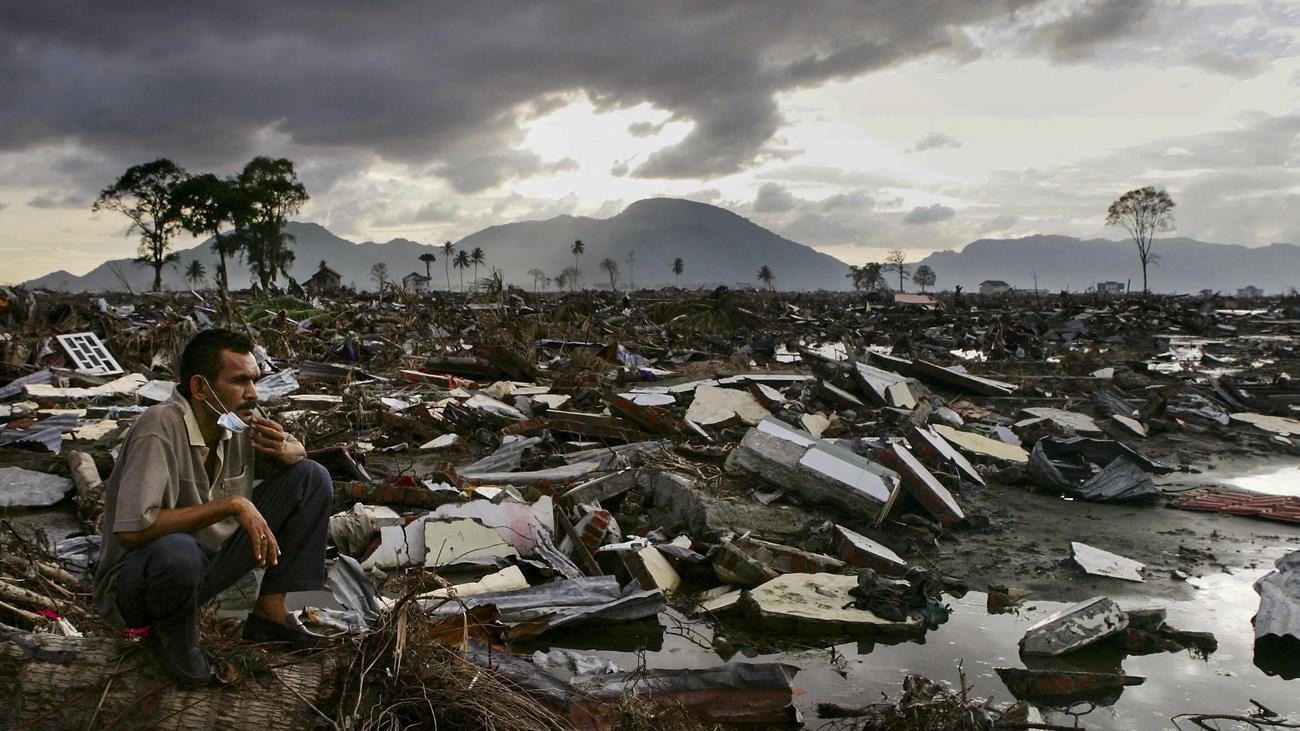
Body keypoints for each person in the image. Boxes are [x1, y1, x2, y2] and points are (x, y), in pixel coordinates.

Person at [93, 329, 333, 686]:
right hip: (141, 584)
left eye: (255, 380)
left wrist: (289, 450)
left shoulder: (234, 419)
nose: (252, 393)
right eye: (240, 381)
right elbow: (132, 531)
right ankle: (172, 636)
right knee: (178, 549)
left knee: (312, 478)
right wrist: (233, 504)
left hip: (204, 568)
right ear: (201, 388)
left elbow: (297, 456)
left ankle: (270, 613)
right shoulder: (159, 427)